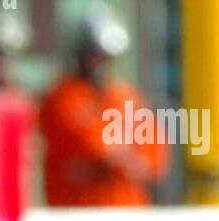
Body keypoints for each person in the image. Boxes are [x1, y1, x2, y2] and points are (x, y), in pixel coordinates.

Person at [39, 6, 170, 207]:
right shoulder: (62, 97)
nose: (99, 65)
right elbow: (94, 145)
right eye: (93, 56)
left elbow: (153, 159)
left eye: (105, 58)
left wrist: (124, 160)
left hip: (127, 215)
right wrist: (122, 155)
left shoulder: (126, 97)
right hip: (76, 217)